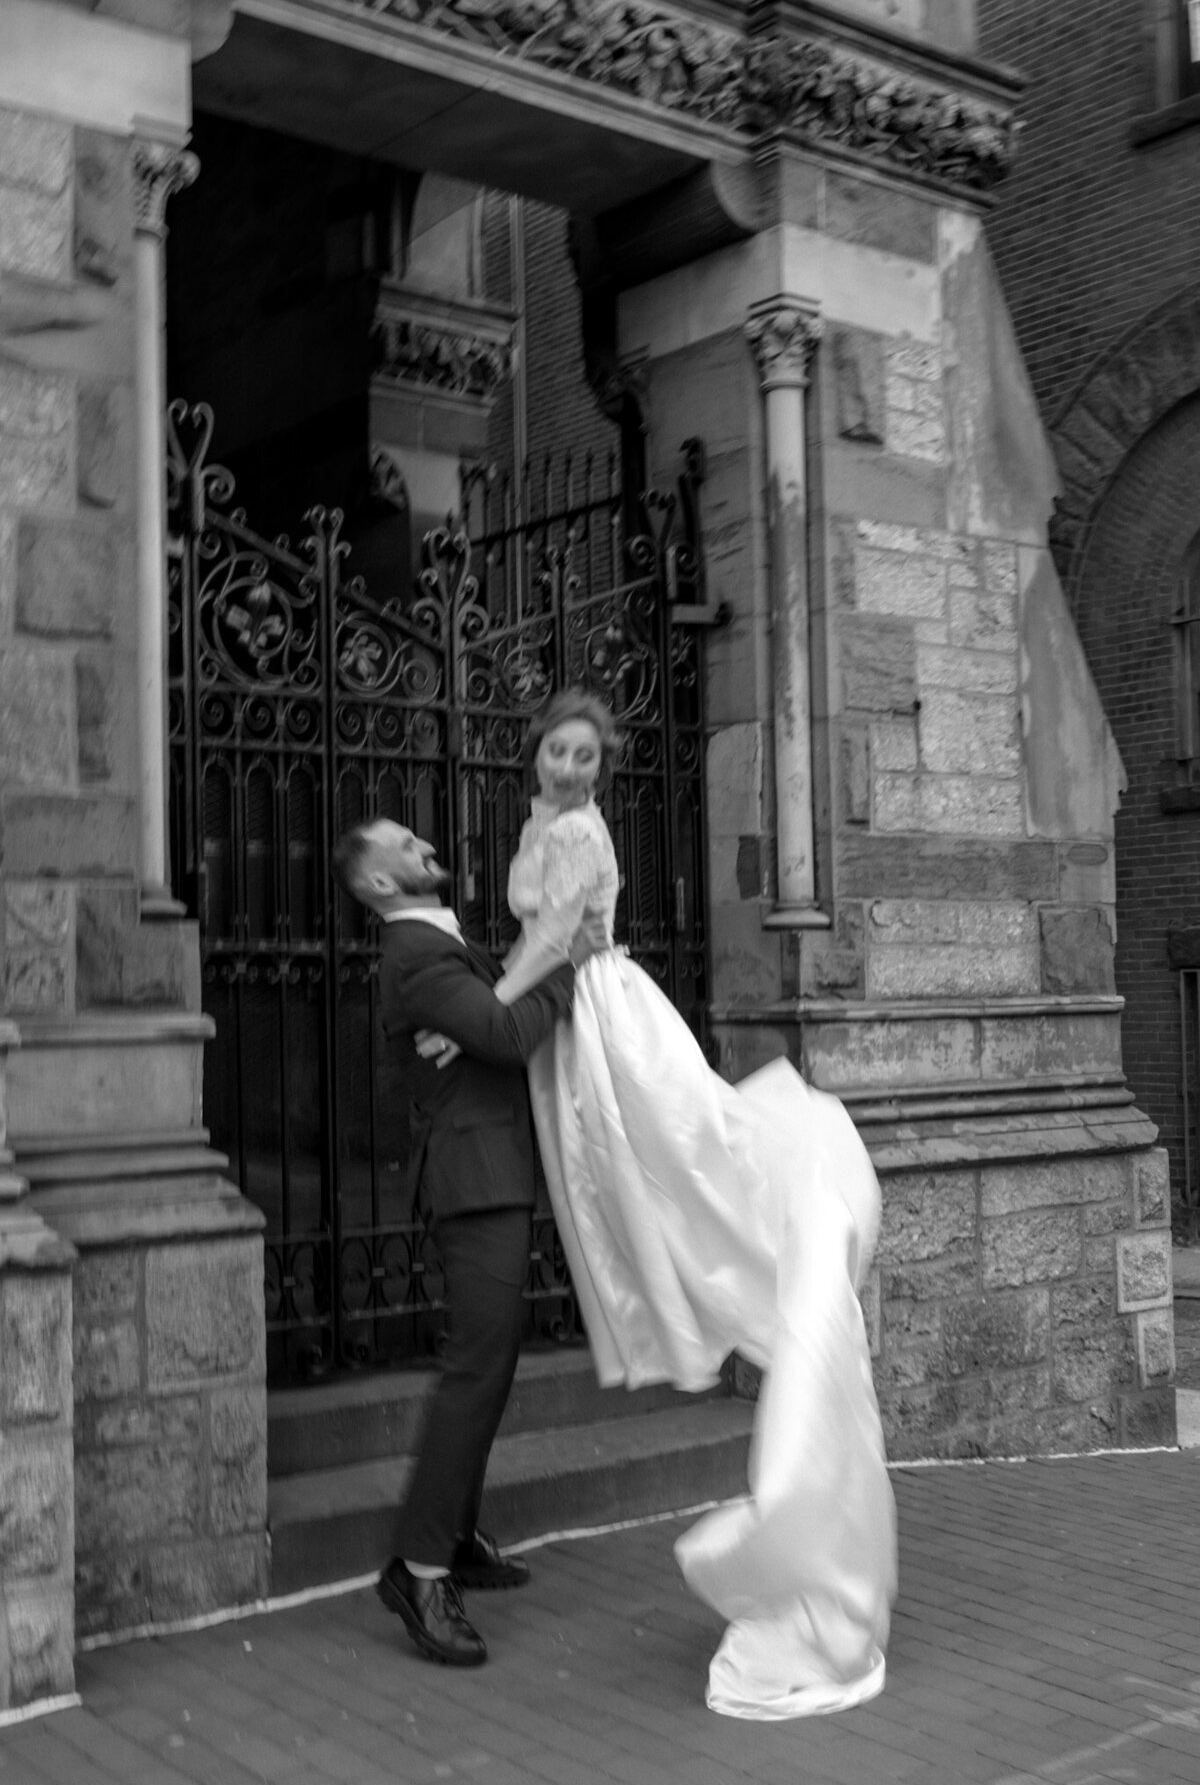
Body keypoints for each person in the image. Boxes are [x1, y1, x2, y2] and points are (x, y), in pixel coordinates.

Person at [473, 687, 898, 1720]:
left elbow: (555, 938)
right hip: (573, 1025)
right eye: (558, 752)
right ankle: (692, 1277)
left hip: (607, 1014)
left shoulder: (575, 831)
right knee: (636, 1181)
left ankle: (763, 1240)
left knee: (684, 1158)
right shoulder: (538, 821)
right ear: (536, 754)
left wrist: (483, 1006)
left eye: (586, 755)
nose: (571, 768)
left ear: (598, 768)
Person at [331, 817, 599, 1670]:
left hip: (495, 1167)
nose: (421, 847)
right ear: (378, 884)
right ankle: (418, 1570)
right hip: (473, 1177)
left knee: (493, 1358)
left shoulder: (443, 945)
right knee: (476, 1363)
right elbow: (512, 1036)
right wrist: (571, 965)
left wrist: (493, 1015)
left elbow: (493, 1024)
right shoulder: (414, 956)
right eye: (401, 847)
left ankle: (455, 1536)